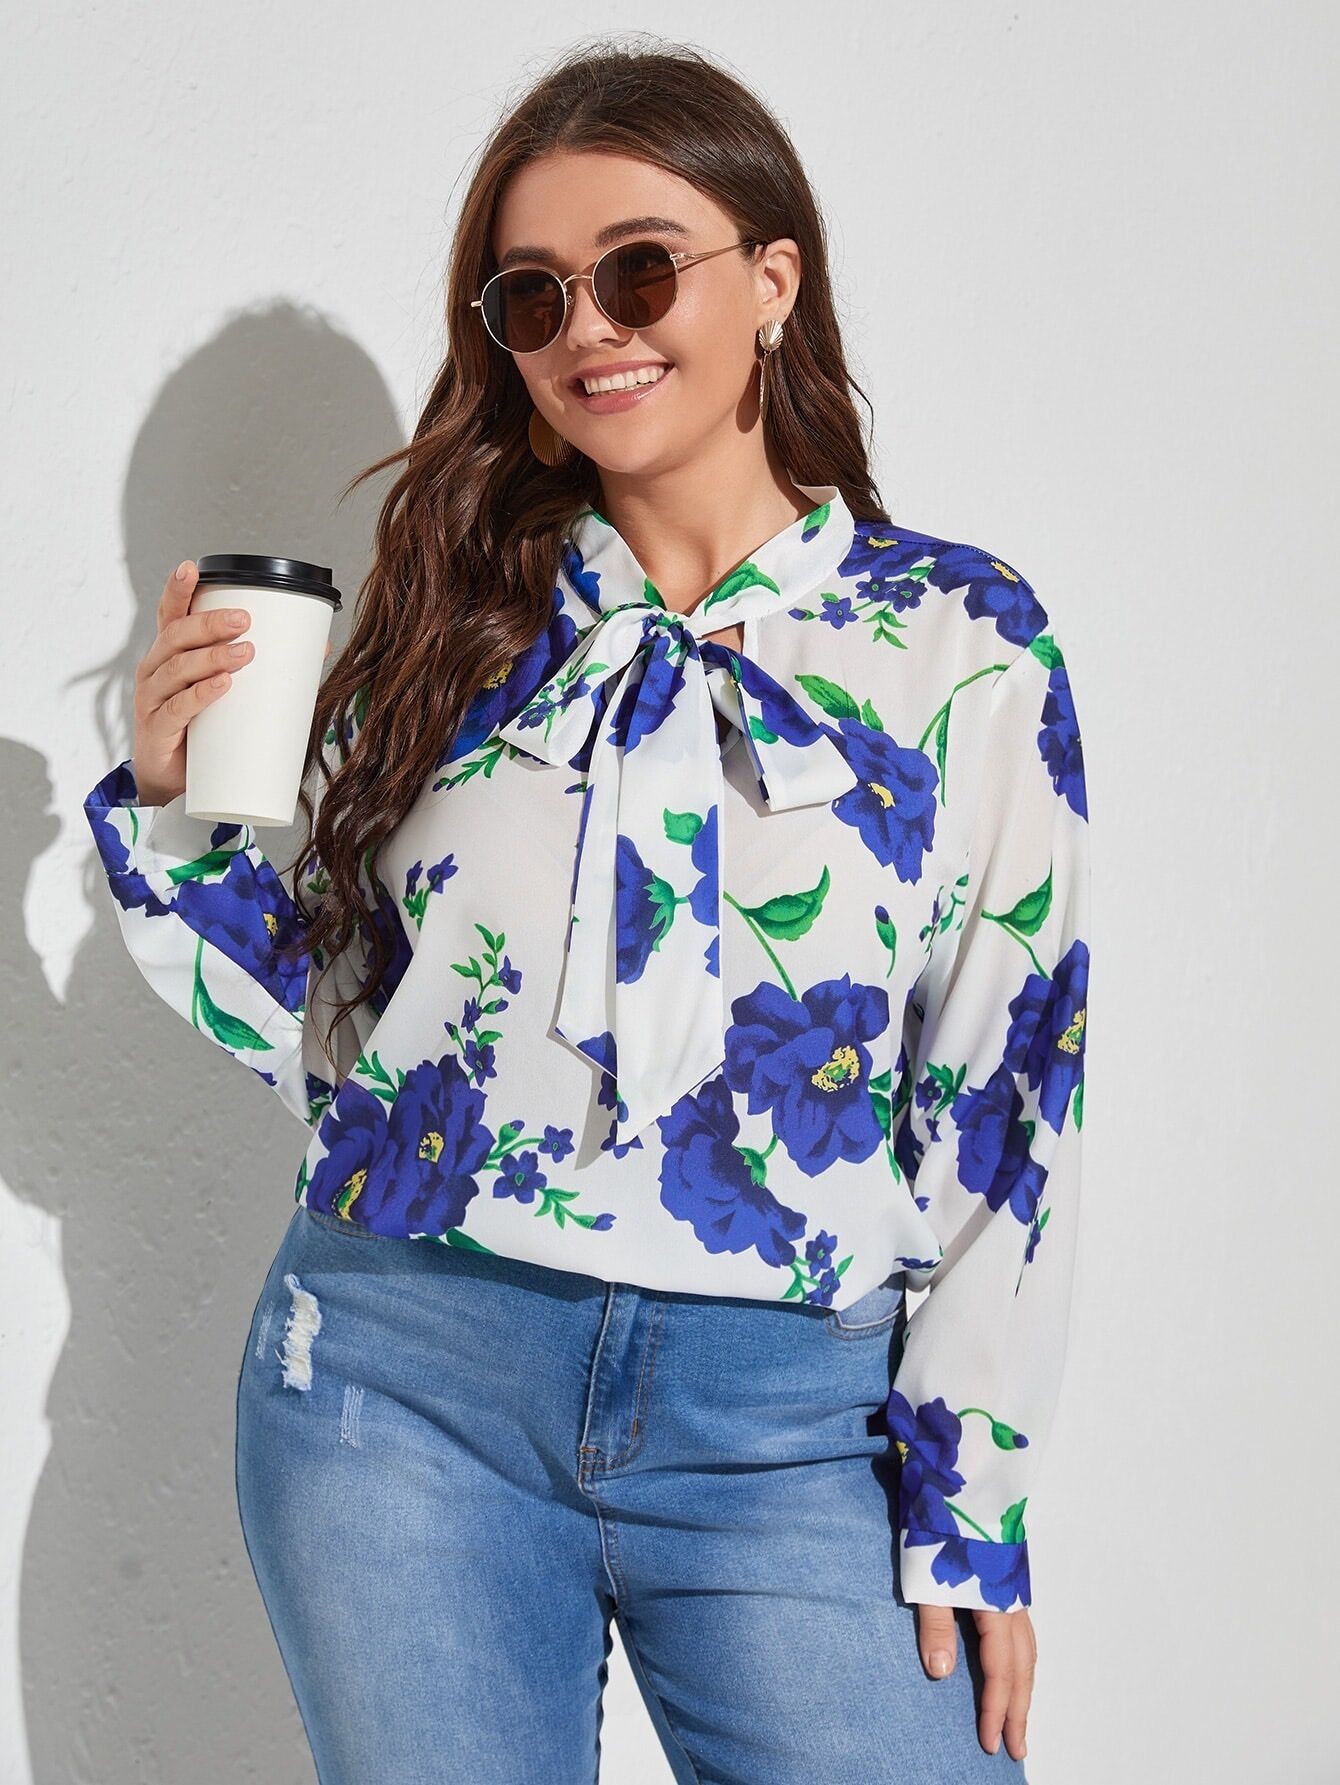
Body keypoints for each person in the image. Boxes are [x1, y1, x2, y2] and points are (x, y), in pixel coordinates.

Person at [83, 36, 1089, 1785]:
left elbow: (1009, 1087)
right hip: (402, 1381)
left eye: (640, 270)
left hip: (789, 1430)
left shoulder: (961, 642)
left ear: (772, 280)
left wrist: (970, 1499)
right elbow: (347, 1042)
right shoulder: (456, 623)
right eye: (535, 297)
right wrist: (182, 815)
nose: (589, 331)